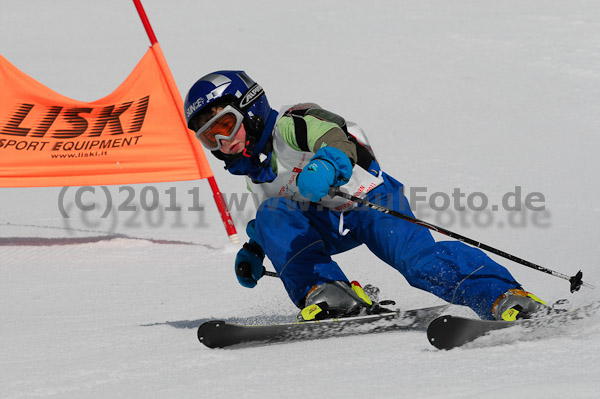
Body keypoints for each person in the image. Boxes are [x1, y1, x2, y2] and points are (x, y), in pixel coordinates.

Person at [184, 70, 547, 322]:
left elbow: (338, 135)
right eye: (208, 138)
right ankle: (329, 292)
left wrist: (327, 164)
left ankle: (504, 298)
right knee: (271, 215)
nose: (221, 143)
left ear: (250, 109)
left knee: (417, 263)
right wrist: (254, 249)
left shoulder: (291, 125)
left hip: (370, 202)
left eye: (225, 126)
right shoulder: (255, 171)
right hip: (326, 221)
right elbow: (273, 216)